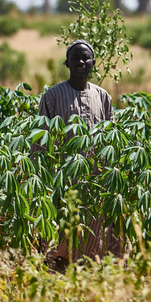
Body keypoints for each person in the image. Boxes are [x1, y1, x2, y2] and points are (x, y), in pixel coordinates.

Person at [35, 40, 121, 266]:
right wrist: (41, 174)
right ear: (67, 63)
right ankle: (58, 264)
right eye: (75, 58)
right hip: (63, 176)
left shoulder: (103, 97)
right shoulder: (52, 96)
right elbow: (41, 139)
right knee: (62, 225)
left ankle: (88, 269)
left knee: (94, 228)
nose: (81, 62)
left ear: (93, 63)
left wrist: (110, 171)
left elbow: (110, 138)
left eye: (85, 58)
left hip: (94, 177)